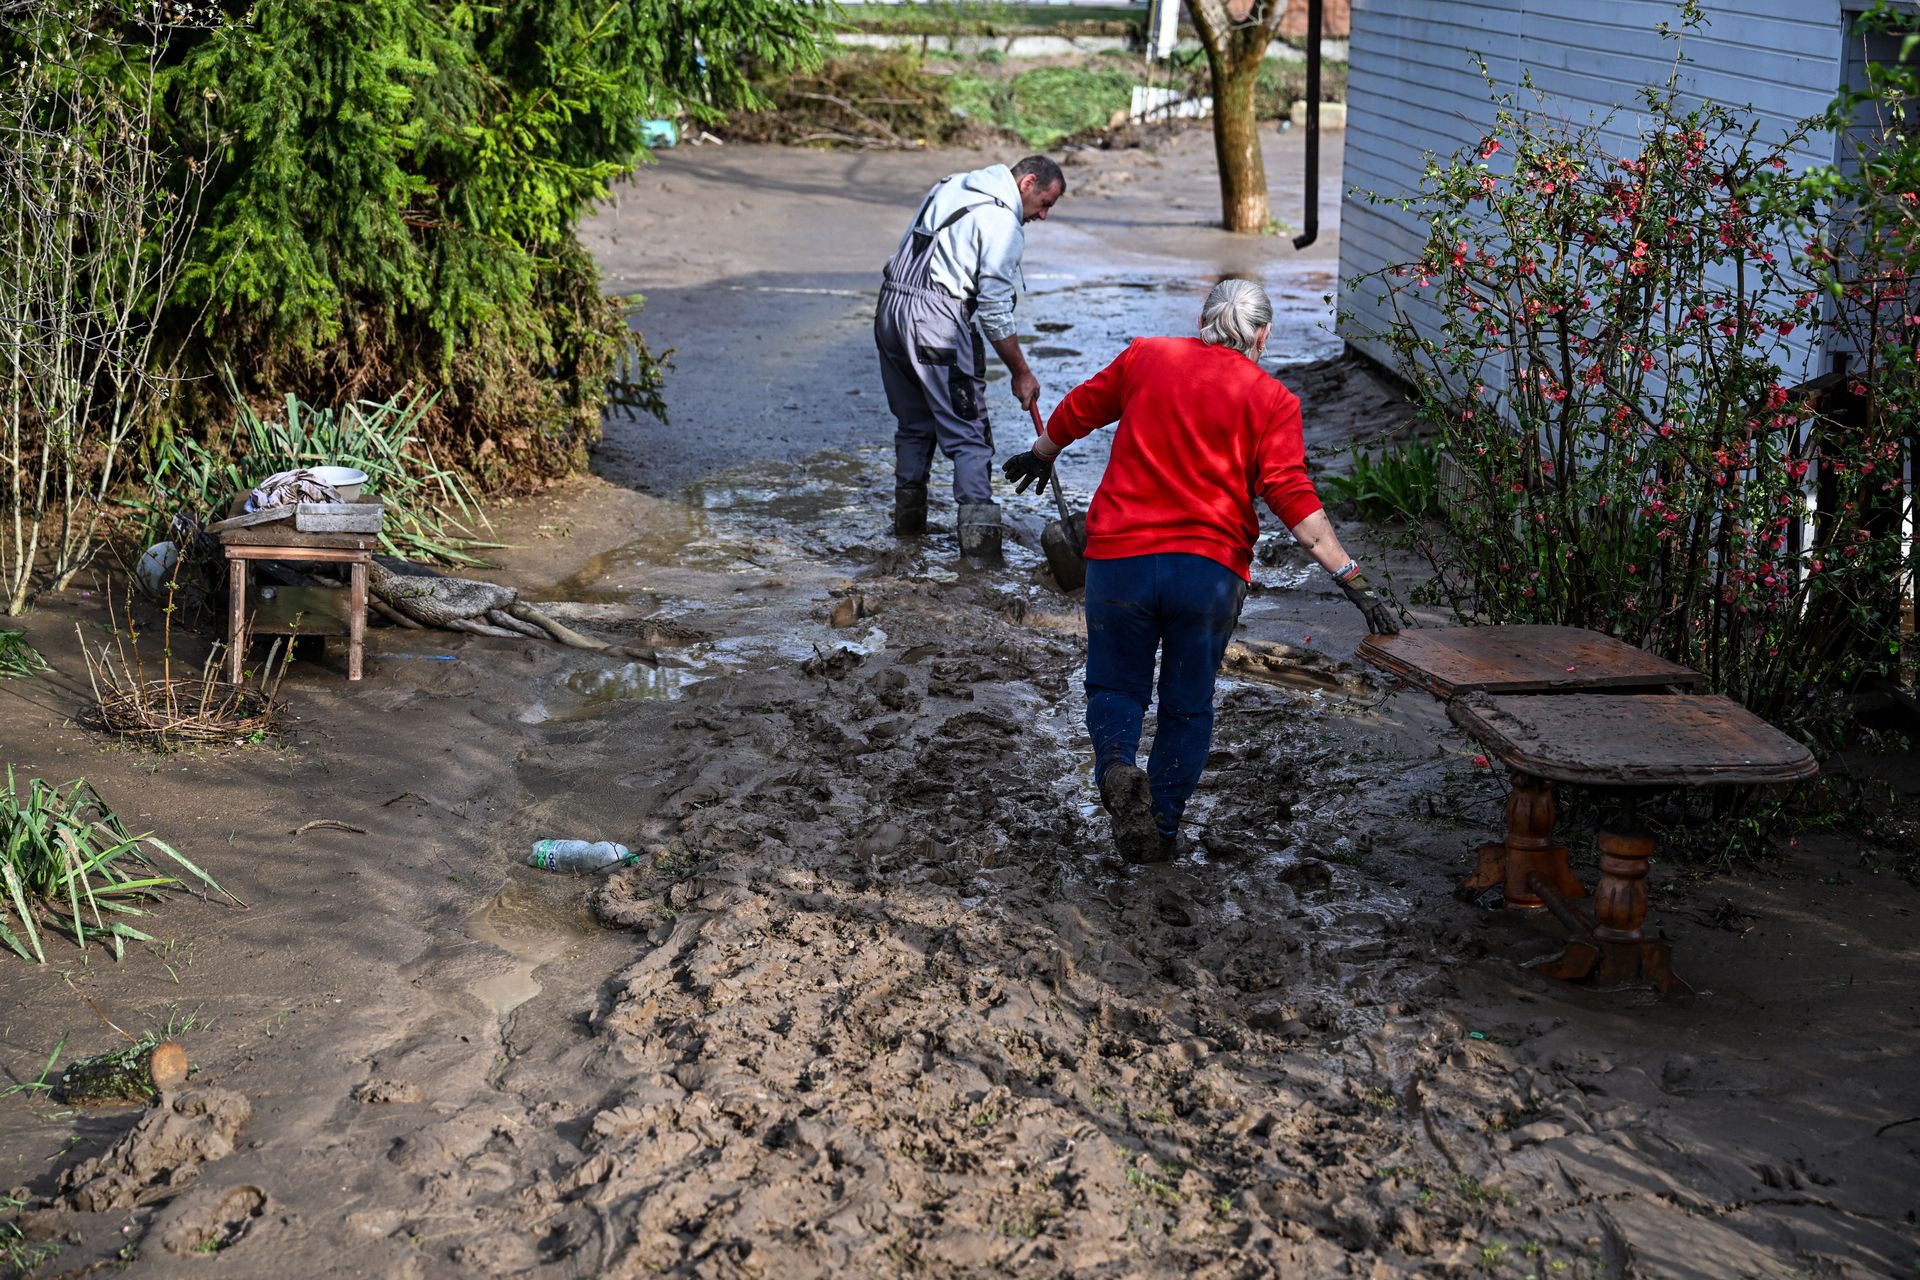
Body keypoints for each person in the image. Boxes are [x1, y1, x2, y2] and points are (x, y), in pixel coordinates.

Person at [1003, 278, 1400, 863]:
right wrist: (1354, 582)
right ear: (1263, 335)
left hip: (1120, 562)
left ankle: (1115, 769)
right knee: (1187, 704)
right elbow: (1293, 500)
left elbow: (1083, 406)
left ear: (1203, 320)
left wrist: (1043, 451)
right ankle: (1161, 827)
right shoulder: (1273, 401)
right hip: (1207, 574)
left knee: (1115, 686)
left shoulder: (1147, 356)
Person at [875, 154, 1065, 563]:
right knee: (969, 435)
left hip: (890, 311)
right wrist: (1021, 372)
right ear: (1027, 183)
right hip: (936, 321)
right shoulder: (1002, 224)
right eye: (1045, 203)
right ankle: (981, 558)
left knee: (914, 425)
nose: (1043, 215)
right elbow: (994, 311)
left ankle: (908, 531)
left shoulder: (950, 184)